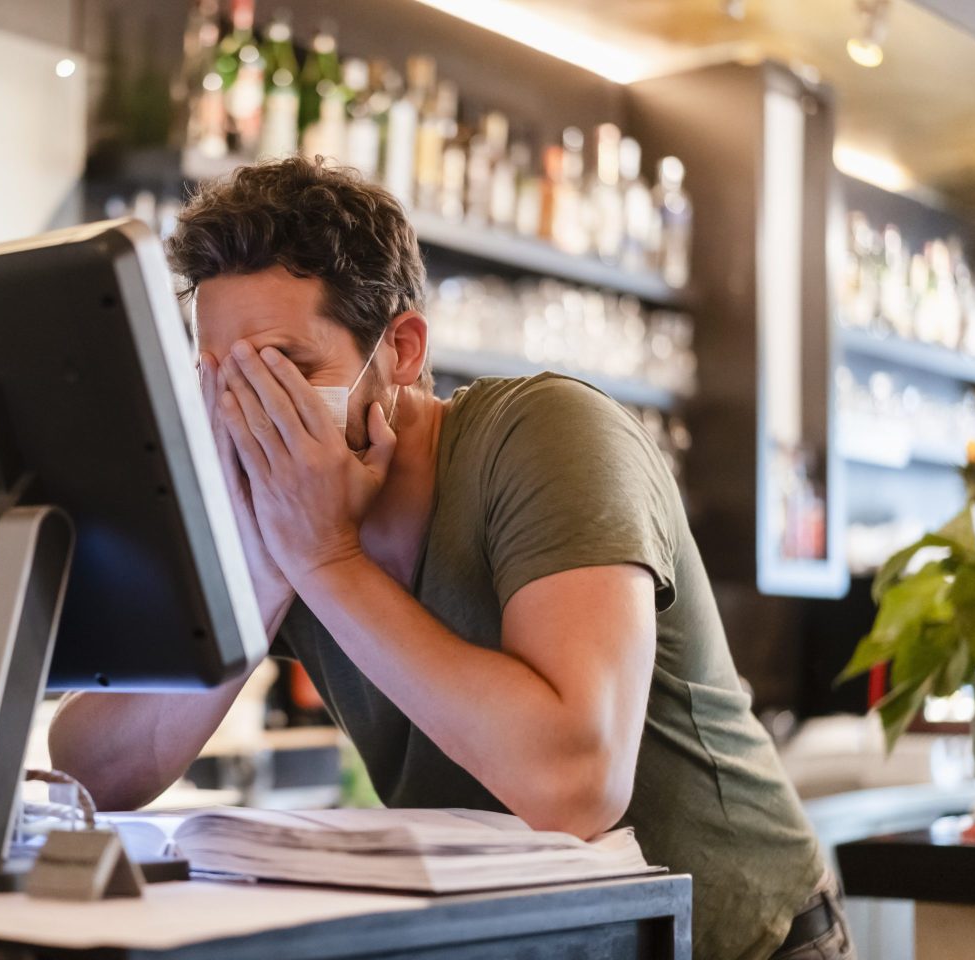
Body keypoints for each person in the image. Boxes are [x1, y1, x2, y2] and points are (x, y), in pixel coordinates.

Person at [50, 157, 853, 960]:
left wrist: (326, 561)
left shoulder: (549, 434)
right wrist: (264, 567)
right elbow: (92, 772)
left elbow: (574, 786)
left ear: (400, 350)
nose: (253, 417)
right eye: (223, 381)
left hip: (747, 941)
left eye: (288, 373)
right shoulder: (271, 515)